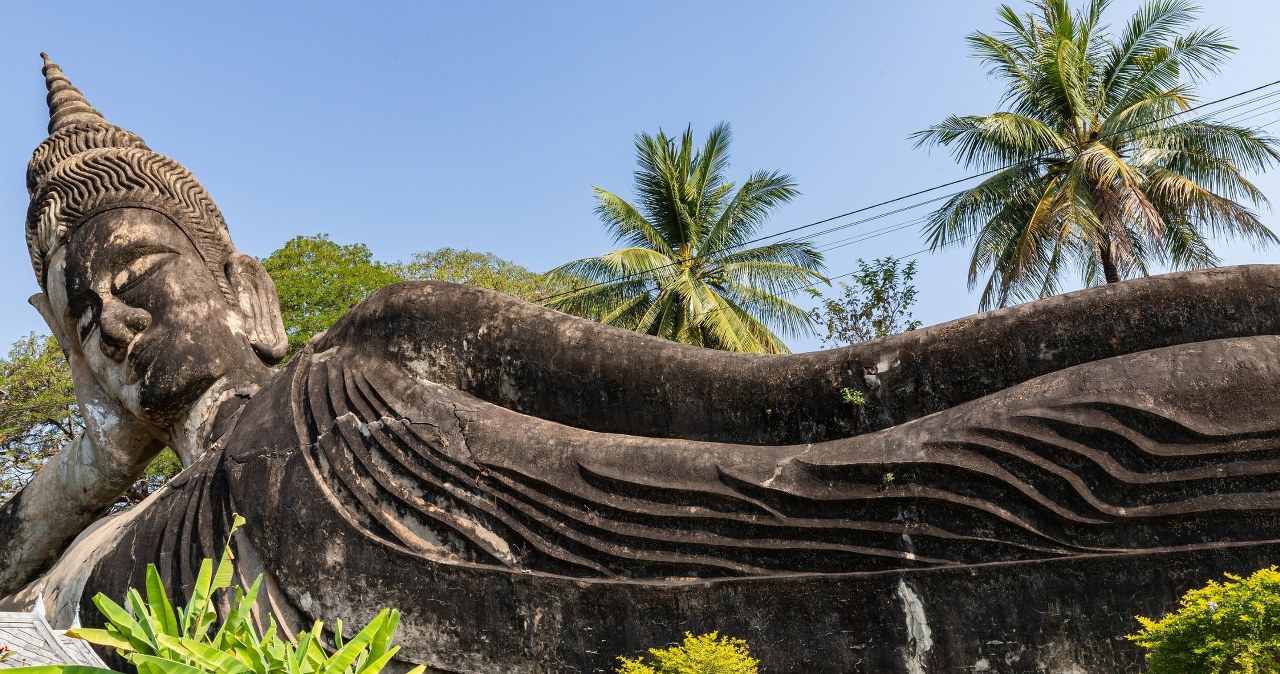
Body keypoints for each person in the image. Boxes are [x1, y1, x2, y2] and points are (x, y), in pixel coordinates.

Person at [6, 55, 1280, 672]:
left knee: (825, 412)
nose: (128, 328)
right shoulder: (111, 537)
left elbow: (756, 401)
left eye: (138, 277)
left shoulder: (359, 353)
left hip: (325, 414)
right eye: (89, 321)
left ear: (249, 291)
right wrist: (98, 454)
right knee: (854, 496)